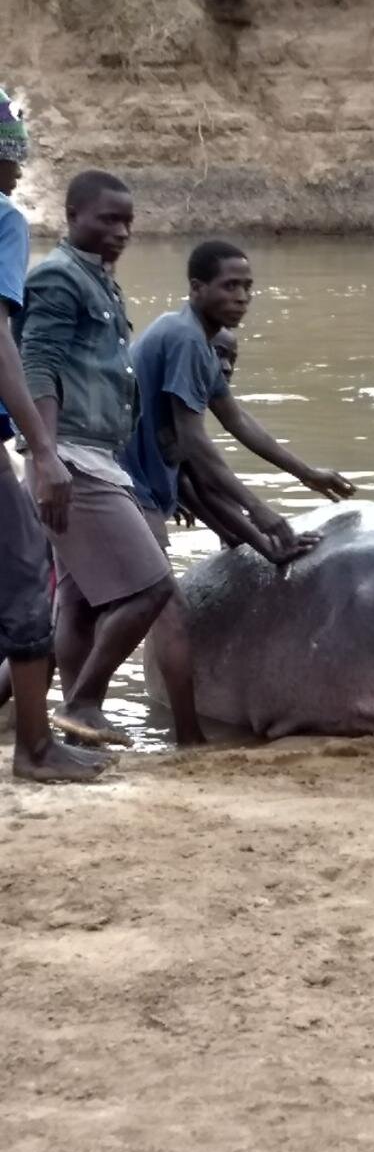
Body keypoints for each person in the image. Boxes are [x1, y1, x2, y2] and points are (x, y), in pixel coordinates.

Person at [119, 240, 355, 726]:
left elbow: (238, 421)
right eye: (230, 286)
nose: (242, 297)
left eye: (248, 287)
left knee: (78, 610)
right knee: (164, 608)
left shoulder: (201, 343)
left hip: (142, 481)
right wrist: (262, 512)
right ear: (197, 287)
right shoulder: (185, 339)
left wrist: (305, 474)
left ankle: (51, 714)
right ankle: (185, 736)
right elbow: (195, 447)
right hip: (128, 486)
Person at [14, 169, 185, 749]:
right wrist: (47, 456)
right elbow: (36, 365)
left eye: (128, 222)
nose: (121, 232)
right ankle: (85, 703)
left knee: (82, 599)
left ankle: (67, 723)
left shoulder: (100, 282)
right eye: (108, 219)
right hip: (73, 456)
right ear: (72, 217)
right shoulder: (61, 278)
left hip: (90, 454)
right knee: (151, 586)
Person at [0, 96, 104, 781]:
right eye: (14, 153)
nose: (18, 169)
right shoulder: (3, 220)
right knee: (25, 570)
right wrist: (41, 447)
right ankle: (35, 748)